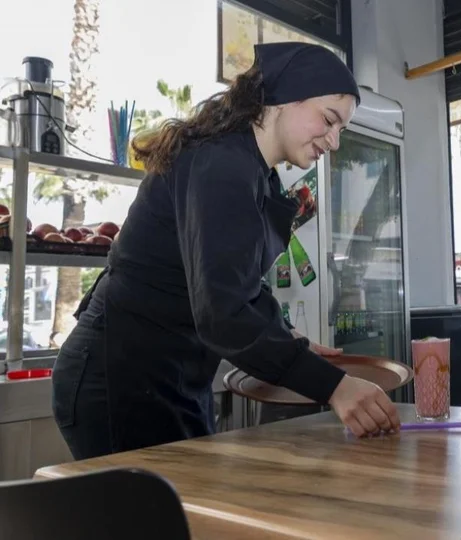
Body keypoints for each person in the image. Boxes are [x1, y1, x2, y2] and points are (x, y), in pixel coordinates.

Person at [51, 42, 400, 460]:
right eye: (329, 120)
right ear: (284, 98)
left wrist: (286, 337)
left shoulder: (255, 173)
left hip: (172, 376)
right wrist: (335, 387)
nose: (334, 141)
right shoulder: (220, 162)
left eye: (341, 129)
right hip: (120, 377)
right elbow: (223, 314)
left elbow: (235, 282)